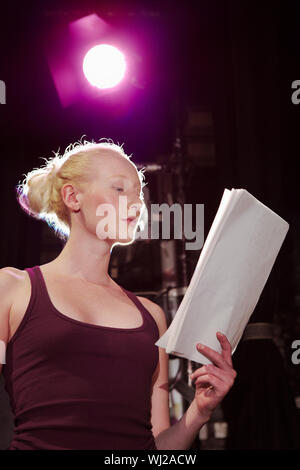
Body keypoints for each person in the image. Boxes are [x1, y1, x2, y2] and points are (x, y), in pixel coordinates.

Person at [0, 138, 237, 450]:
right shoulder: (13, 288)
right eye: (120, 189)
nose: (137, 205)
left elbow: (158, 446)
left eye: (139, 194)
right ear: (73, 197)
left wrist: (199, 412)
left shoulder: (151, 316)